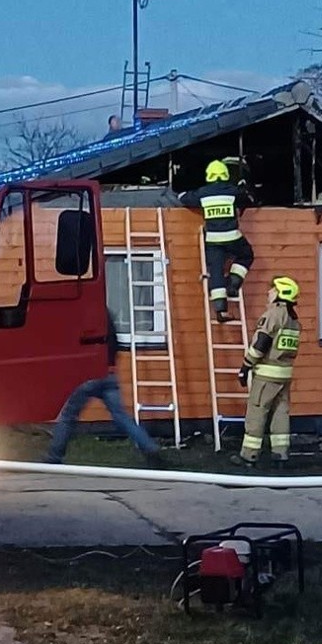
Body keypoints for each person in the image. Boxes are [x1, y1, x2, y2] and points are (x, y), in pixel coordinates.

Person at [47, 309, 163, 462]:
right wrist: (111, 364)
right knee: (121, 416)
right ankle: (149, 447)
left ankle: (54, 456)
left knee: (68, 416)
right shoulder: (103, 312)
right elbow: (114, 339)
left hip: (84, 376)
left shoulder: (73, 314)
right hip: (108, 373)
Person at [179, 159, 254, 321]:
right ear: (226, 174)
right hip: (232, 237)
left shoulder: (203, 193)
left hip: (213, 240)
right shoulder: (232, 191)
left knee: (216, 272)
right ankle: (233, 284)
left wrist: (182, 193)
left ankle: (220, 311)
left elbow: (185, 198)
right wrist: (243, 188)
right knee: (246, 255)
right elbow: (247, 199)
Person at [239, 276, 301, 468]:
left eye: (272, 289)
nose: (269, 293)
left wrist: (246, 365)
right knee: (280, 414)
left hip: (266, 375)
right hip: (285, 374)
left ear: (280, 293)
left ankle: (249, 456)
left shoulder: (273, 315)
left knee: (257, 412)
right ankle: (280, 455)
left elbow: (261, 343)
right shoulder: (293, 320)